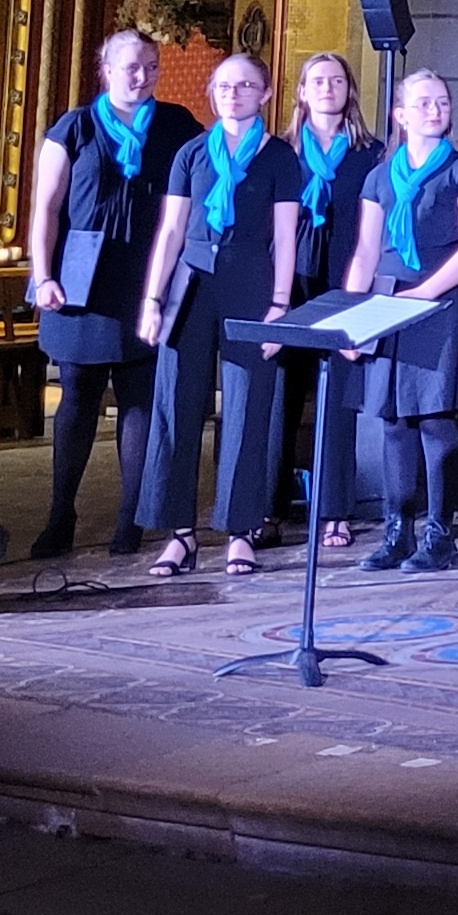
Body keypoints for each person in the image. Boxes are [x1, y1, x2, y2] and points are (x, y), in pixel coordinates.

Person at [25, 29, 199, 560]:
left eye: (151, 66)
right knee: (77, 396)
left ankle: (131, 518)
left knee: (139, 397)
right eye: (131, 67)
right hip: (80, 278)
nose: (143, 76)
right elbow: (46, 208)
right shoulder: (74, 127)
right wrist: (43, 275)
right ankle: (60, 513)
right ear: (106, 70)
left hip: (145, 276)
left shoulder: (176, 126)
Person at [131, 51, 302, 579]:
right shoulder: (190, 153)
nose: (233, 94)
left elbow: (286, 237)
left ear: (265, 94)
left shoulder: (279, 157)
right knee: (176, 406)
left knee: (248, 408)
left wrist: (280, 306)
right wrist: (152, 299)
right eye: (224, 86)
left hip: (251, 284)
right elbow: (170, 231)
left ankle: (240, 530)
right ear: (212, 93)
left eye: (246, 85)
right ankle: (179, 534)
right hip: (190, 285)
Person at [347, 66, 458, 571]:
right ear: (400, 115)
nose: (436, 110)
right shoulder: (379, 175)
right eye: (425, 102)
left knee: (435, 419)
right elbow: (366, 250)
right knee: (394, 421)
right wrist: (353, 316)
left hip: (437, 301)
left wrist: (426, 293)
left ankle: (440, 533)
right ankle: (398, 531)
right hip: (388, 302)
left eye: (443, 102)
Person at [277, 50, 379, 548]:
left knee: (339, 397)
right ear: (301, 92)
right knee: (283, 395)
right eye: (317, 80)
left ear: (349, 90)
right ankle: (270, 508)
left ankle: (335, 510)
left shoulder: (369, 153)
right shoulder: (281, 152)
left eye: (336, 80)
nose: (326, 88)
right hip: (292, 281)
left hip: (346, 278)